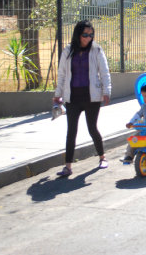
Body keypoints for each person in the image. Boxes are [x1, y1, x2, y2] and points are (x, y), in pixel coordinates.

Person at [53, 20, 111, 177]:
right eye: (85, 34)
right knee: (71, 131)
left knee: (92, 128)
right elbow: (62, 74)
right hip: (72, 97)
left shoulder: (97, 50)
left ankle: (102, 157)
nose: (89, 37)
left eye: (91, 35)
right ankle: (68, 166)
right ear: (78, 34)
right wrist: (58, 94)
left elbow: (104, 72)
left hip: (91, 96)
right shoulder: (68, 51)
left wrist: (107, 91)